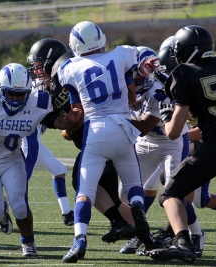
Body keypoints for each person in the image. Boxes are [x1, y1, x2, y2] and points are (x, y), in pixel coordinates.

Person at [57, 21, 162, 263]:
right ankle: (137, 208)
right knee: (134, 184)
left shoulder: (71, 67)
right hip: (123, 128)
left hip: (95, 130)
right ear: (101, 39)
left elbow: (77, 108)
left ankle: (79, 240)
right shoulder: (122, 54)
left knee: (85, 191)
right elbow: (132, 95)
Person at [0, 63, 81, 257]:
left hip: (12, 159)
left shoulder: (38, 101)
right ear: (0, 89)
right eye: (11, 93)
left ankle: (28, 243)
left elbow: (53, 120)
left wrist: (68, 120)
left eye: (20, 95)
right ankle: (1, 211)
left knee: (20, 206)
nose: (15, 99)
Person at [149, 25, 216, 264]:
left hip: (215, 147)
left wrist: (166, 115)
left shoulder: (183, 73)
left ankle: (183, 242)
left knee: (170, 194)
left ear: (186, 51)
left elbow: (173, 133)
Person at [120, 46, 204, 257]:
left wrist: (114, 120)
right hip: (146, 143)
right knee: (124, 192)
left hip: (171, 142)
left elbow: (143, 127)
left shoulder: (160, 89)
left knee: (176, 192)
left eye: (135, 74)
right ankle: (144, 235)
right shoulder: (130, 84)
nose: (131, 79)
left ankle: (196, 234)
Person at [24, 38, 74, 226]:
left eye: (39, 66)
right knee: (20, 177)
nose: (36, 71)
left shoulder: (64, 81)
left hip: (34, 134)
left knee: (59, 170)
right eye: (35, 66)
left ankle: (67, 213)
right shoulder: (33, 85)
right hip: (26, 135)